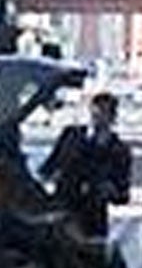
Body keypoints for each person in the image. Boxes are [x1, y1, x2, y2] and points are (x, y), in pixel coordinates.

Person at [40, 90, 133, 241]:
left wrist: (109, 190)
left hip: (92, 221)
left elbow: (122, 194)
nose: (99, 117)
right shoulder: (72, 136)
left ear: (113, 117)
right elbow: (47, 169)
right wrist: (56, 175)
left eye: (105, 113)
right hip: (64, 214)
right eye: (96, 112)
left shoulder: (119, 150)